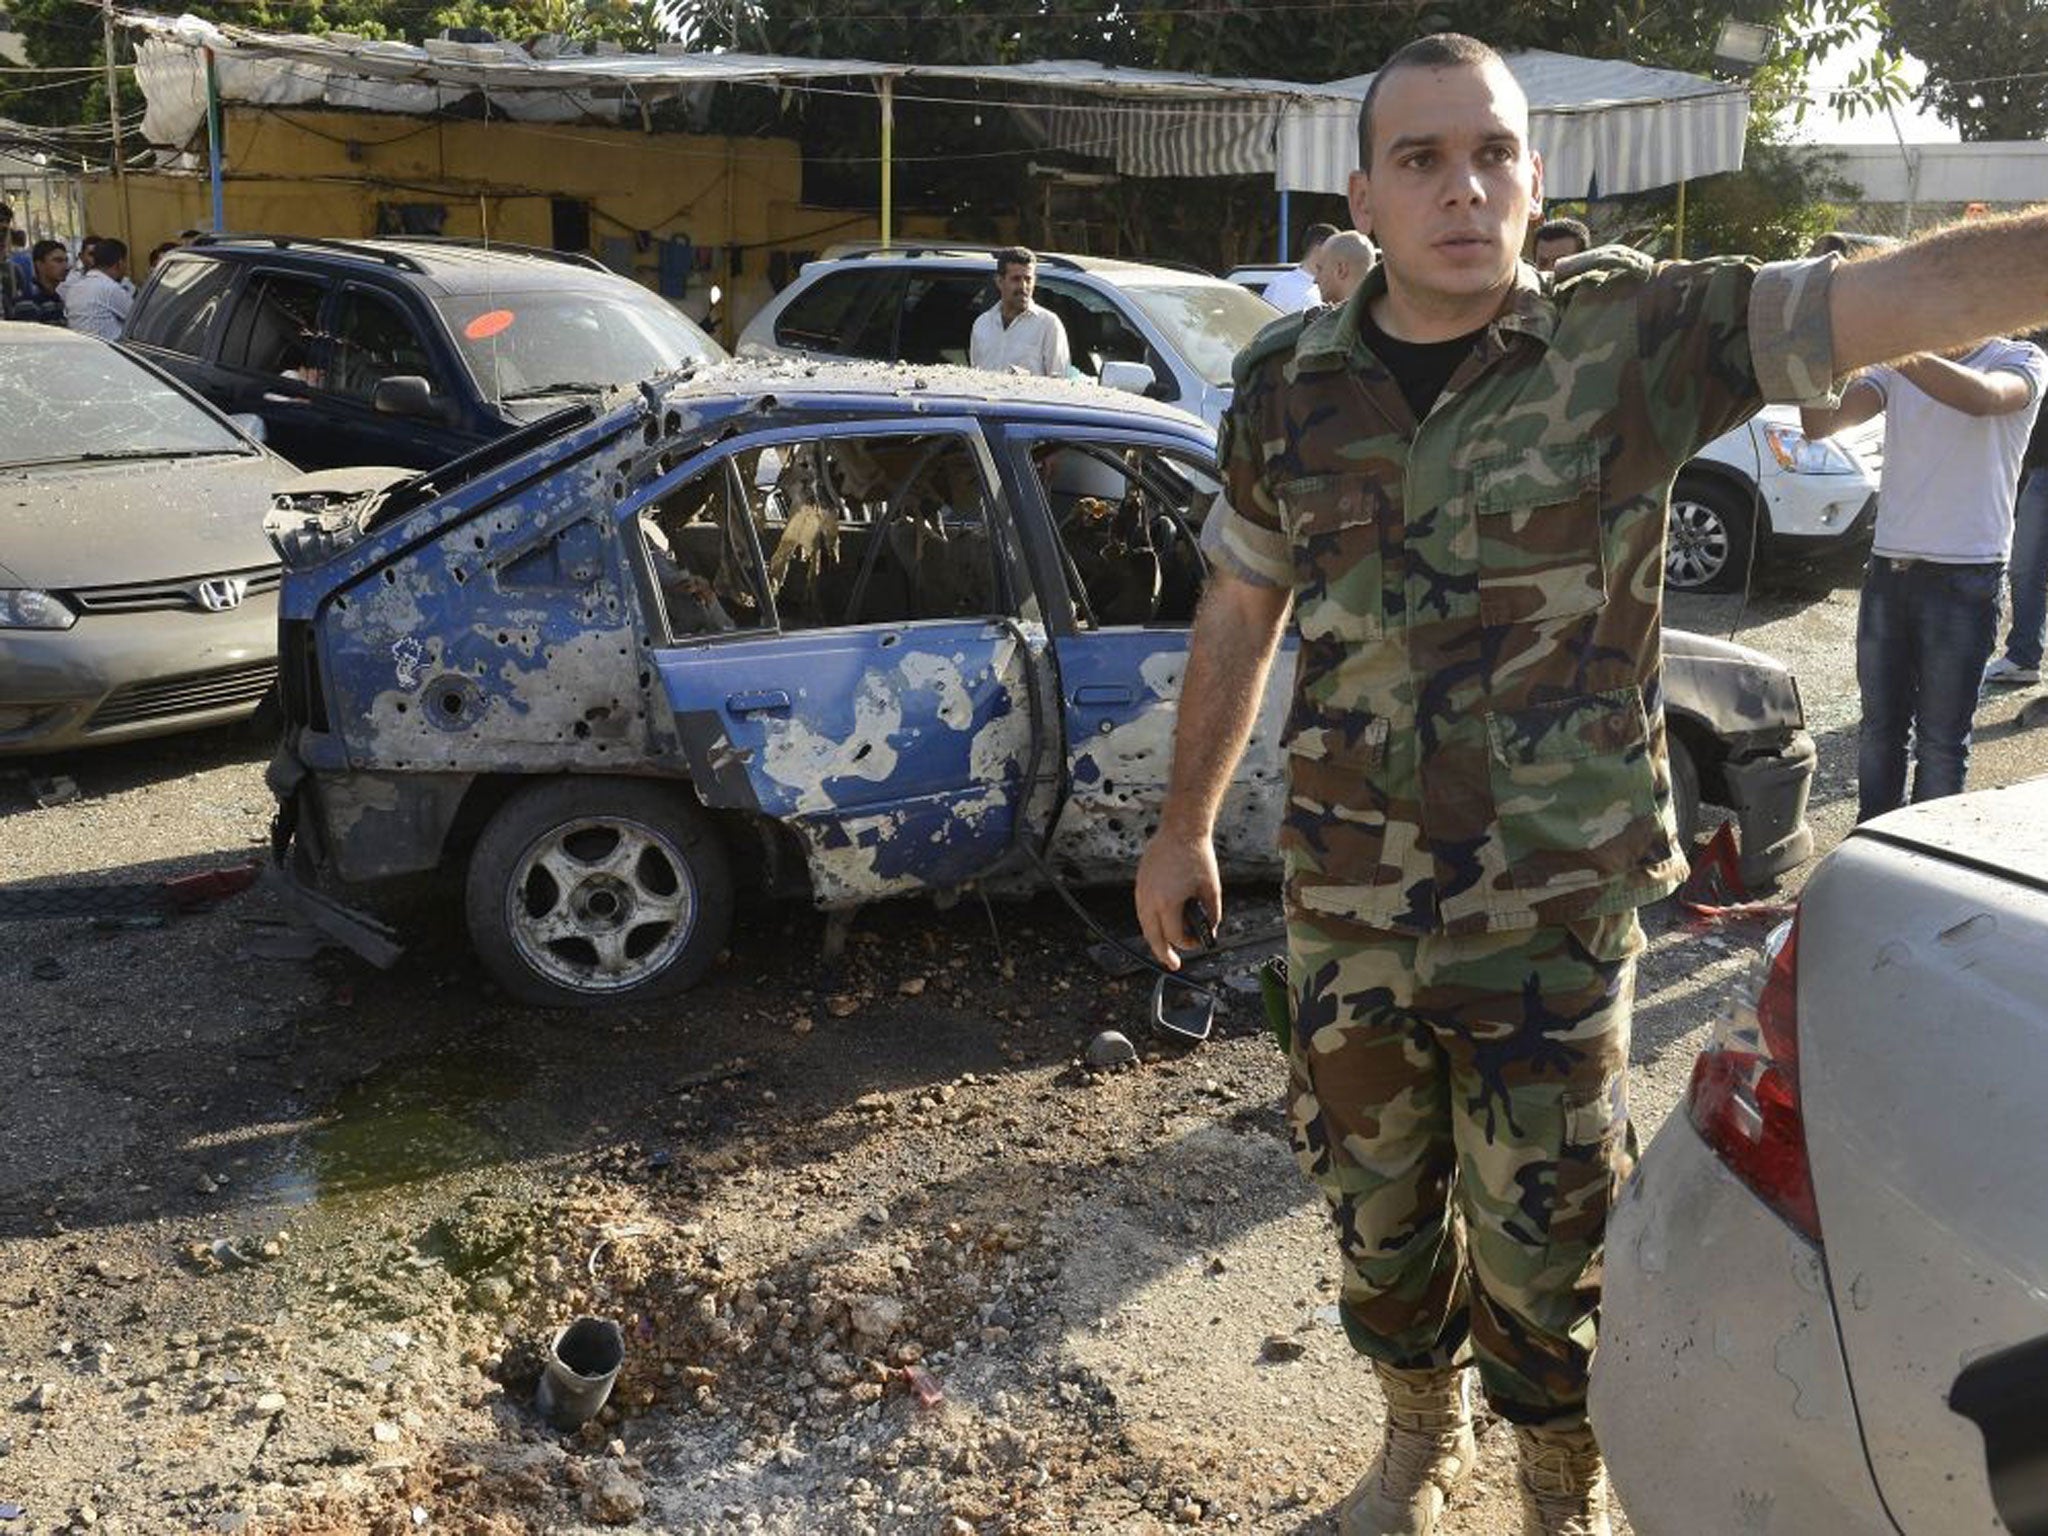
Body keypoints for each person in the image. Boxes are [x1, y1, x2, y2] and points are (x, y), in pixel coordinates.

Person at [1133, 30, 2048, 1536]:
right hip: (1348, 912)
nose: (1462, 186)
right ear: (1364, 190)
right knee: (1373, 1221)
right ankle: (1418, 1445)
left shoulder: (1634, 339)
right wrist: (1181, 828)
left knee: (1553, 1243)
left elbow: (1906, 295)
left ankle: (1563, 1485)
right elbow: (1242, 605)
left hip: (1548, 924)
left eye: (1492, 152)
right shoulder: (1288, 390)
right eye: (1421, 157)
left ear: (1533, 175)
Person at [1802, 337, 2047, 816]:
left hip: (1967, 576)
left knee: (1941, 743)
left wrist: (1891, 336)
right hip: (1888, 573)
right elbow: (1821, 424)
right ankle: (1870, 852)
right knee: (1880, 731)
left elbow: (1984, 399)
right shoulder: (1898, 365)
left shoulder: (2021, 359)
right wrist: (1814, 356)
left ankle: (1922, 863)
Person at [1984, 377, 2048, 687]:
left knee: (2027, 568)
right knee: (2025, 569)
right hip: (2036, 470)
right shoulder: (2027, 338)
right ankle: (2024, 658)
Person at [968, 247, 1070, 378]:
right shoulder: (982, 324)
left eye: (1028, 279)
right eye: (1016, 279)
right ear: (999, 281)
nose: (1023, 287)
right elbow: (975, 378)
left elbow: (1060, 381)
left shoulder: (1048, 324)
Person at [62, 237, 133, 340]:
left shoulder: (74, 289)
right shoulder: (110, 288)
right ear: (119, 263)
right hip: (110, 352)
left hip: (82, 351)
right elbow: (139, 321)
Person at [1263, 222, 1339, 312]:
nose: (1339, 256)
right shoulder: (1281, 285)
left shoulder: (1333, 286)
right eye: (1335, 249)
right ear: (1319, 248)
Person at [9, 239, 69, 325]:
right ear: (40, 264)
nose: (65, 266)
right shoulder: (28, 301)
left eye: (66, 260)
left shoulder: (56, 298)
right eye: (58, 261)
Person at [1314, 230, 1376, 306]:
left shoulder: (1350, 315)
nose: (1315, 280)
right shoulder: (1384, 312)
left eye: (1320, 269)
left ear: (1341, 270)